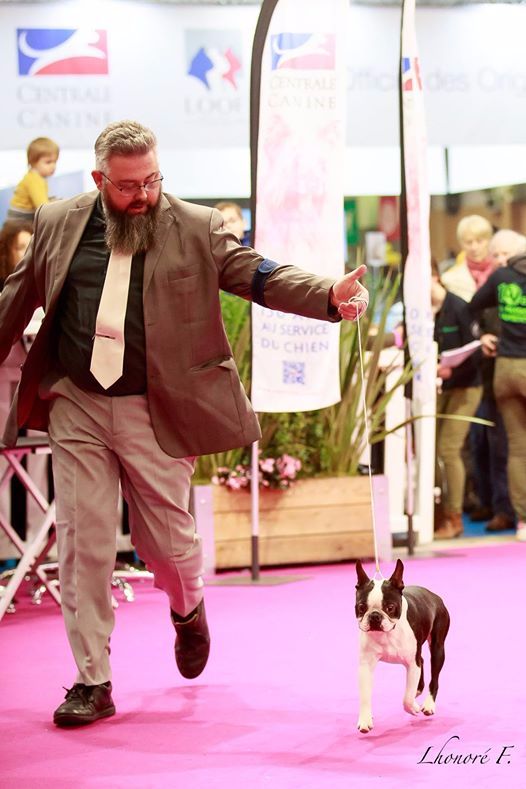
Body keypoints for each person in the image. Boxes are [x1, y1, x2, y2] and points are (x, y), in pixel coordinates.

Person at [0, 119, 369, 728]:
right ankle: (93, 680)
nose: (142, 194)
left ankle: (187, 605)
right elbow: (17, 297)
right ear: (98, 181)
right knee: (83, 543)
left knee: (168, 547)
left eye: (151, 180)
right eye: (126, 186)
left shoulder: (194, 226)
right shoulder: (58, 222)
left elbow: (259, 274)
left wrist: (328, 293)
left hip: (157, 407)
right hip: (77, 401)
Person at [469, 231, 526, 542]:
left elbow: (472, 305)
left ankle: (524, 523)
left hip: (505, 369)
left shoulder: (501, 277)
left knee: (517, 448)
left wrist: (483, 336)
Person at [431, 261, 482, 540]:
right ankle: (439, 514)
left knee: (448, 449)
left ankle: (454, 517)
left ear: (435, 277)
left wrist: (452, 368)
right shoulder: (425, 312)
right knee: (435, 451)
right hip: (441, 388)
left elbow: (475, 351)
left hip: (466, 387)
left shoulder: (460, 307)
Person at [441, 214, 494, 302]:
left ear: (489, 240)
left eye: (479, 241)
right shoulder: (449, 279)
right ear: (461, 244)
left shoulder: (503, 274)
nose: (474, 247)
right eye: (469, 242)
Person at [7, 136, 60, 223]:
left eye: (55, 162)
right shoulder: (34, 180)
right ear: (33, 161)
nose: (53, 166)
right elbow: (43, 208)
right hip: (19, 221)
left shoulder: (36, 177)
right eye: (48, 162)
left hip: (22, 218)